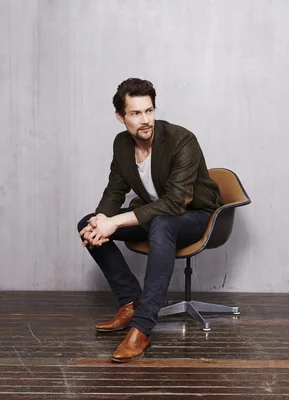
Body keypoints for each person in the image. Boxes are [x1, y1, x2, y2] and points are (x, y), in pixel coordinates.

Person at [77, 78, 222, 362]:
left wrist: (115, 223)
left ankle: (142, 326)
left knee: (162, 222)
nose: (145, 120)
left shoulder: (182, 140)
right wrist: (100, 220)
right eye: (135, 113)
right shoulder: (122, 144)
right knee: (86, 222)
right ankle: (130, 301)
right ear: (120, 117)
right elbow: (115, 190)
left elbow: (174, 203)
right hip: (156, 215)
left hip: (197, 217)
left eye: (149, 111)